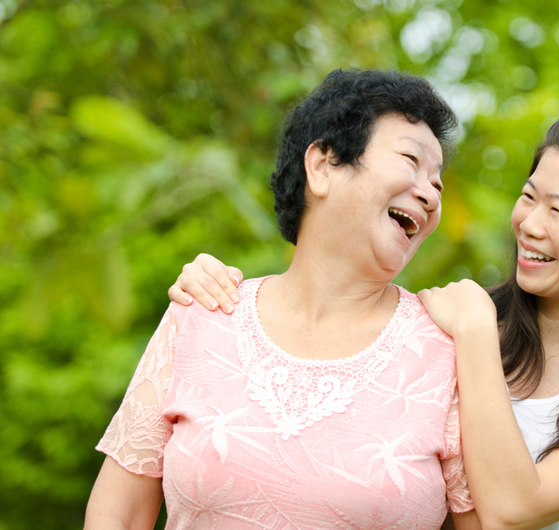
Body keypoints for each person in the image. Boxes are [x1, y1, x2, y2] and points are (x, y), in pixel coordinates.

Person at [171, 105, 559, 529]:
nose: (529, 225)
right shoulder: (445, 324)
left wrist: (474, 333)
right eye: (528, 197)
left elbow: (513, 510)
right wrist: (222, 294)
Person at [84, 69, 480, 530]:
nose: (431, 194)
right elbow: (119, 515)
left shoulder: (446, 351)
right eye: (411, 160)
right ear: (322, 165)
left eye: (438, 182)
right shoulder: (203, 312)